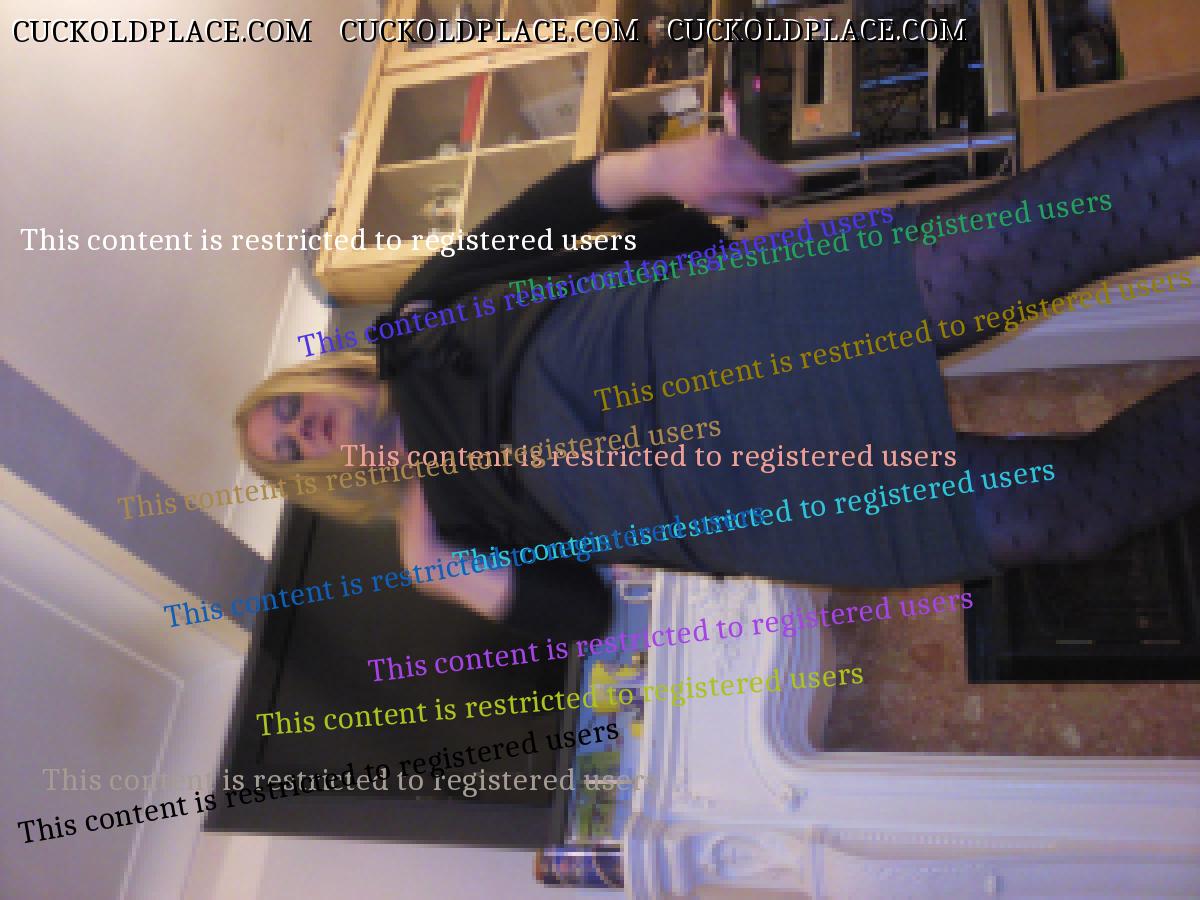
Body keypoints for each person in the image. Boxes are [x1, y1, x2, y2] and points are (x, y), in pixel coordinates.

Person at [237, 98, 1200, 637]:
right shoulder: (437, 534)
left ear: (316, 382)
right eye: (287, 453)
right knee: (1060, 514)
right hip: (732, 506)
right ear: (319, 479)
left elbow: (548, 209)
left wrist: (661, 170)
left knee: (1011, 247)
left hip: (695, 340)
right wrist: (450, 576)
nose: (299, 431)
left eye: (285, 411)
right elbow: (584, 612)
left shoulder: (416, 320)